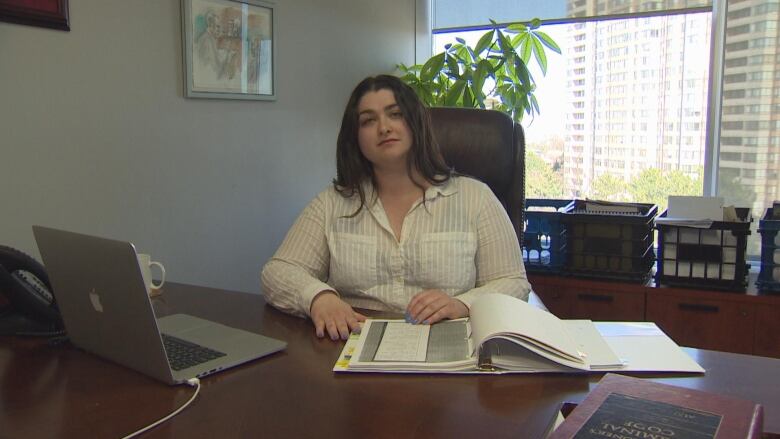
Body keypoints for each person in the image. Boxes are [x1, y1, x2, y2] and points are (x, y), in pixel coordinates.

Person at [261, 75, 531, 341]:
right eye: (368, 120)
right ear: (354, 138)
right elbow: (278, 273)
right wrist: (318, 298)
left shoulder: (476, 198)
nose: (384, 127)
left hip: (447, 345)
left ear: (416, 123)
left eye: (395, 114)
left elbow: (512, 282)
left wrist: (464, 303)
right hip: (353, 345)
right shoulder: (332, 203)